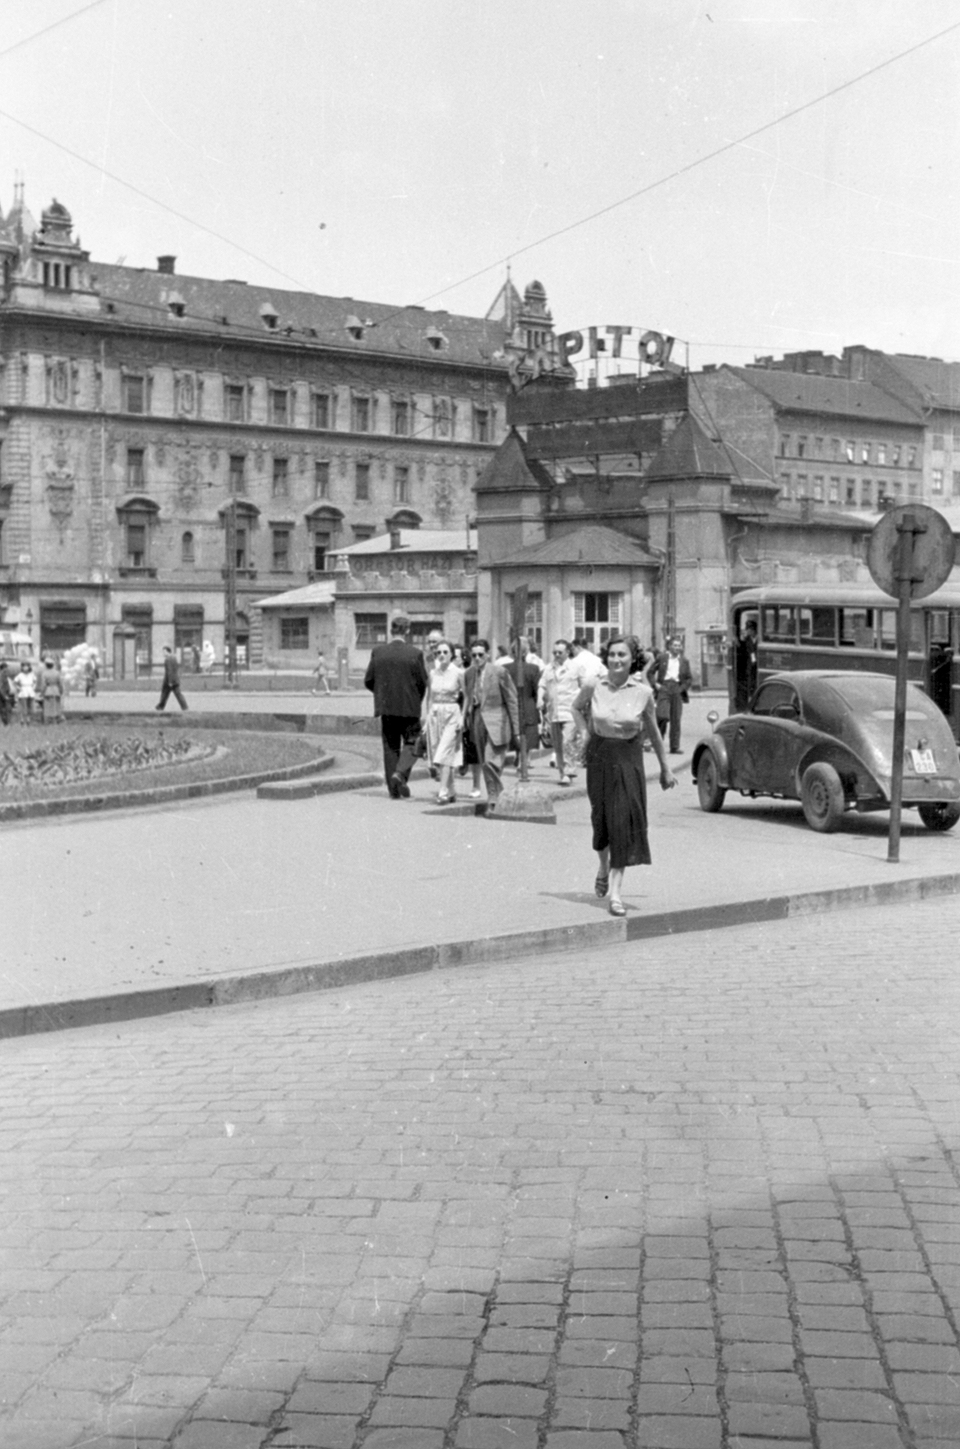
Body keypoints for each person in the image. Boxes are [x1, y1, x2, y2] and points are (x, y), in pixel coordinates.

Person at [573, 634, 677, 918]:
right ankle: (603, 866)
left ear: (633, 660)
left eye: (623, 655)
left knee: (622, 823)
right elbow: (576, 708)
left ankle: (616, 894)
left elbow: (654, 733)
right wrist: (584, 732)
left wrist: (666, 768)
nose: (616, 660)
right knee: (601, 821)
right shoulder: (594, 685)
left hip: (629, 760)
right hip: (599, 757)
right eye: (613, 654)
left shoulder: (643, 692)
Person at [364, 613, 429, 799]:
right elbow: (422, 682)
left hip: (386, 709)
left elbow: (369, 680)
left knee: (390, 746)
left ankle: (393, 790)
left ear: (391, 631)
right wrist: (416, 699)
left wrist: (382, 695)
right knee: (412, 743)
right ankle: (400, 775)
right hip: (410, 708)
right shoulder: (415, 653)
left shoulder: (378, 652)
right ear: (407, 631)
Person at [461, 638, 520, 810]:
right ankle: (496, 797)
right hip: (477, 721)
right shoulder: (469, 674)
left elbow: (512, 700)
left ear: (487, 654)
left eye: (480, 654)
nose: (477, 658)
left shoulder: (499, 672)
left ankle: (495, 797)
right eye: (474, 655)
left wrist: (516, 728)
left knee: (490, 761)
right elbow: (468, 697)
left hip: (498, 721)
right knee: (484, 760)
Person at [424, 640, 464, 804]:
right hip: (435, 714)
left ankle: (443, 791)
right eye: (438, 652)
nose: (441, 655)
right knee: (438, 751)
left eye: (445, 652)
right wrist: (426, 717)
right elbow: (429, 697)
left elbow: (466, 696)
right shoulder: (433, 673)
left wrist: (462, 716)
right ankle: (452, 790)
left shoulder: (458, 673)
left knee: (444, 752)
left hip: (452, 714)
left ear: (452, 654)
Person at [538, 638, 579, 785]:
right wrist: (539, 699)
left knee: (568, 741)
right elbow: (542, 685)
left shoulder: (576, 667)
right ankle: (562, 773)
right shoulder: (549, 668)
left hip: (571, 711)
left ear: (567, 652)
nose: (556, 655)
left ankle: (569, 772)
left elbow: (586, 685)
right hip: (554, 712)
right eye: (554, 652)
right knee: (557, 745)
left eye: (559, 652)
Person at [653, 636, 693, 753]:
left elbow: (689, 678)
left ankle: (674, 747)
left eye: (679, 646)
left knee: (676, 719)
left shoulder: (684, 661)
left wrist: (682, 688)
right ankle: (658, 743)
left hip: (677, 688)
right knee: (662, 716)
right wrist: (655, 684)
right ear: (669, 646)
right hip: (664, 687)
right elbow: (650, 672)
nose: (677, 648)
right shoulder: (662, 658)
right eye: (674, 645)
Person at [155, 645, 189, 712]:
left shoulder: (167, 659)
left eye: (164, 652)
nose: (163, 653)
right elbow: (176, 668)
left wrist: (170, 681)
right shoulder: (174, 658)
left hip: (169, 681)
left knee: (165, 694)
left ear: (168, 652)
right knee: (177, 694)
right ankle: (184, 707)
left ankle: (160, 706)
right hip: (175, 680)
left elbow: (169, 671)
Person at [40, 656, 64, 724]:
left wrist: (42, 693)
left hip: (48, 691)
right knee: (56, 706)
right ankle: (56, 720)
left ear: (46, 665)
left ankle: (48, 721)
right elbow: (60, 683)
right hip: (56, 691)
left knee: (48, 707)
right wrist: (61, 691)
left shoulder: (44, 673)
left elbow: (43, 685)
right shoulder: (57, 673)